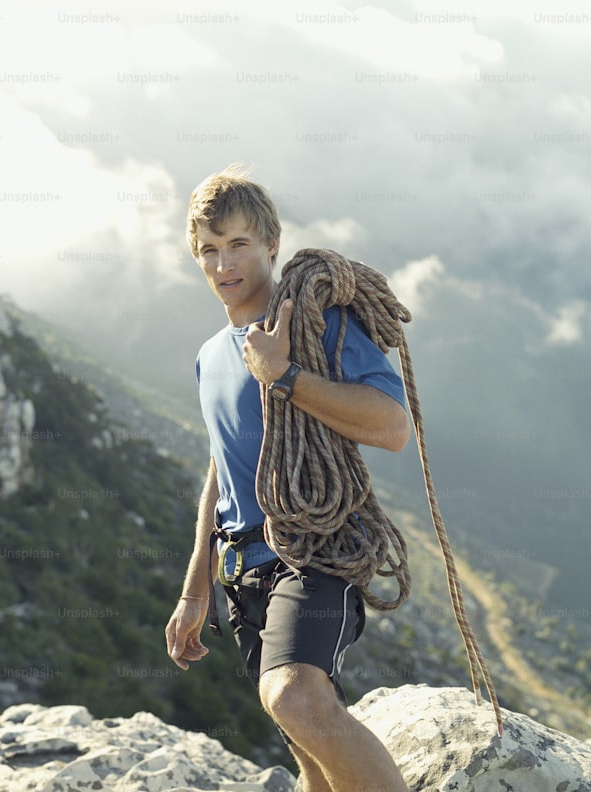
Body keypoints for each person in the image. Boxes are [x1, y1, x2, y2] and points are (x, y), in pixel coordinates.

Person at [165, 164, 411, 792]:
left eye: (239, 245)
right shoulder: (210, 355)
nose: (225, 264)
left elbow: (390, 426)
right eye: (210, 251)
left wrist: (287, 378)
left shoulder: (318, 324)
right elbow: (223, 467)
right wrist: (196, 591)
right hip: (242, 572)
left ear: (272, 244)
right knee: (309, 757)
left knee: (296, 698)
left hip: (314, 548)